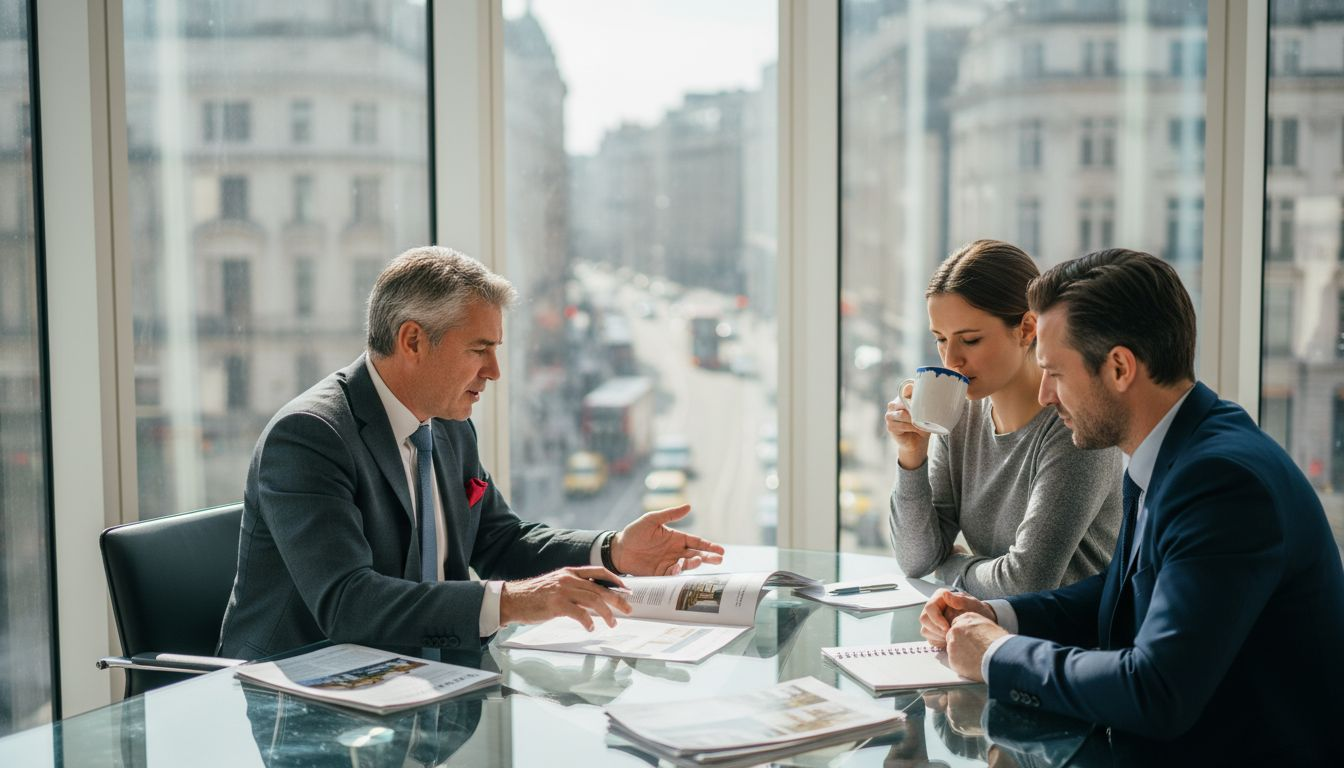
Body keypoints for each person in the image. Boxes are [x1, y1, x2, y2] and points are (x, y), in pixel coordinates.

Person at [919, 249, 1344, 762]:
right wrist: (998, 614)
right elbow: (1122, 591)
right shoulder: (1177, 445)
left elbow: (1156, 690)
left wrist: (996, 654)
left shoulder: (1222, 482)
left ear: (1119, 367)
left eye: (1055, 372)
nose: (1047, 395)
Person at [218, 246, 725, 660]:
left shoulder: (447, 423)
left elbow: (499, 541)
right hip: (300, 694)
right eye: (478, 349)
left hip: (419, 677)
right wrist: (514, 602)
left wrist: (614, 549)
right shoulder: (310, 435)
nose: (494, 371)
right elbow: (348, 604)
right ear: (413, 340)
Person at [886, 240, 1121, 598]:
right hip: (993, 632)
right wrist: (911, 458)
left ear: (1027, 329)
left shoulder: (1074, 427)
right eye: (940, 339)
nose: (951, 361)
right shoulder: (960, 417)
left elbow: (1026, 583)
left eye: (971, 340)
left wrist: (951, 568)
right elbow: (916, 560)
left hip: (1067, 644)